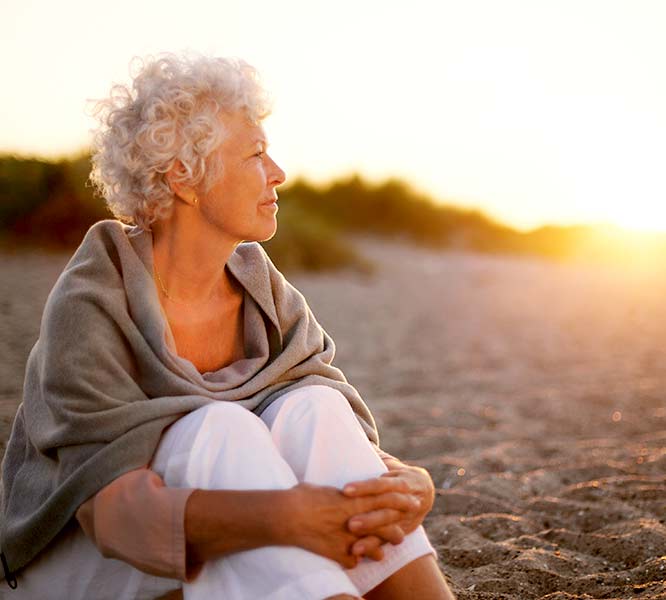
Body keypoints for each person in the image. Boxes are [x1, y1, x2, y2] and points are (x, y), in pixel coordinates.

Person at [0, 53, 455, 599]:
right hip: (75, 561)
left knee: (316, 405)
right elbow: (110, 512)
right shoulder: (95, 298)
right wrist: (283, 517)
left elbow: (333, 440)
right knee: (220, 428)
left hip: (209, 542)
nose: (279, 173)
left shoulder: (262, 290)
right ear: (185, 177)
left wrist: (406, 485)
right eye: (256, 154)